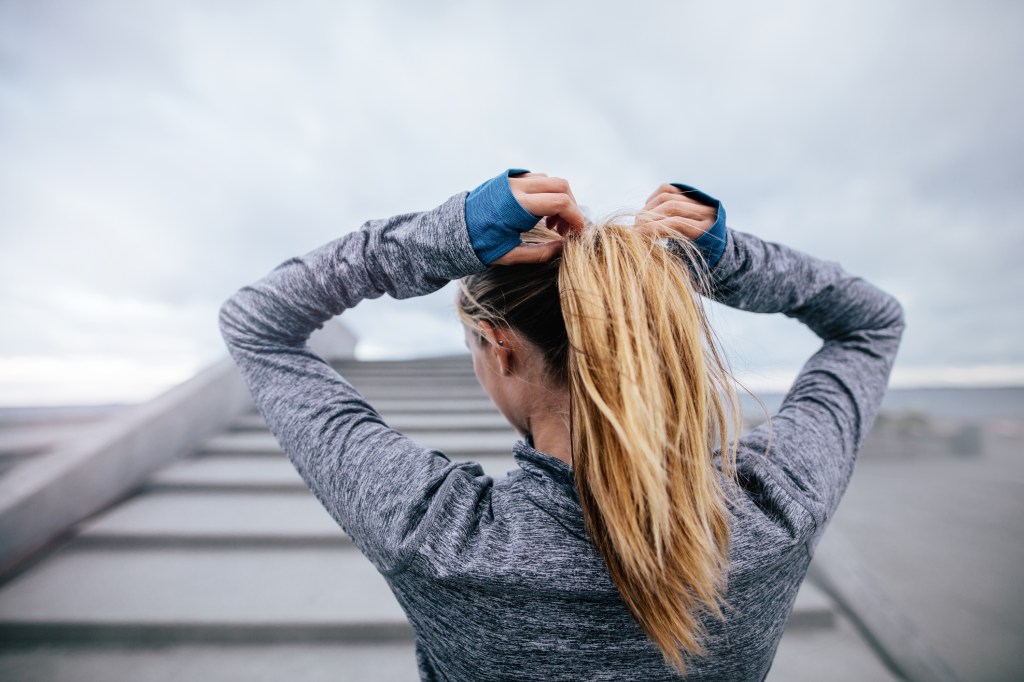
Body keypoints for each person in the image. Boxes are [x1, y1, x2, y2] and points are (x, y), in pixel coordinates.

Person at [219, 168, 905, 681]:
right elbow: (871, 322)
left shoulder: (439, 537)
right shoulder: (773, 509)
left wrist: (442, 239)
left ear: (502, 348)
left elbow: (257, 323)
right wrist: (726, 259)